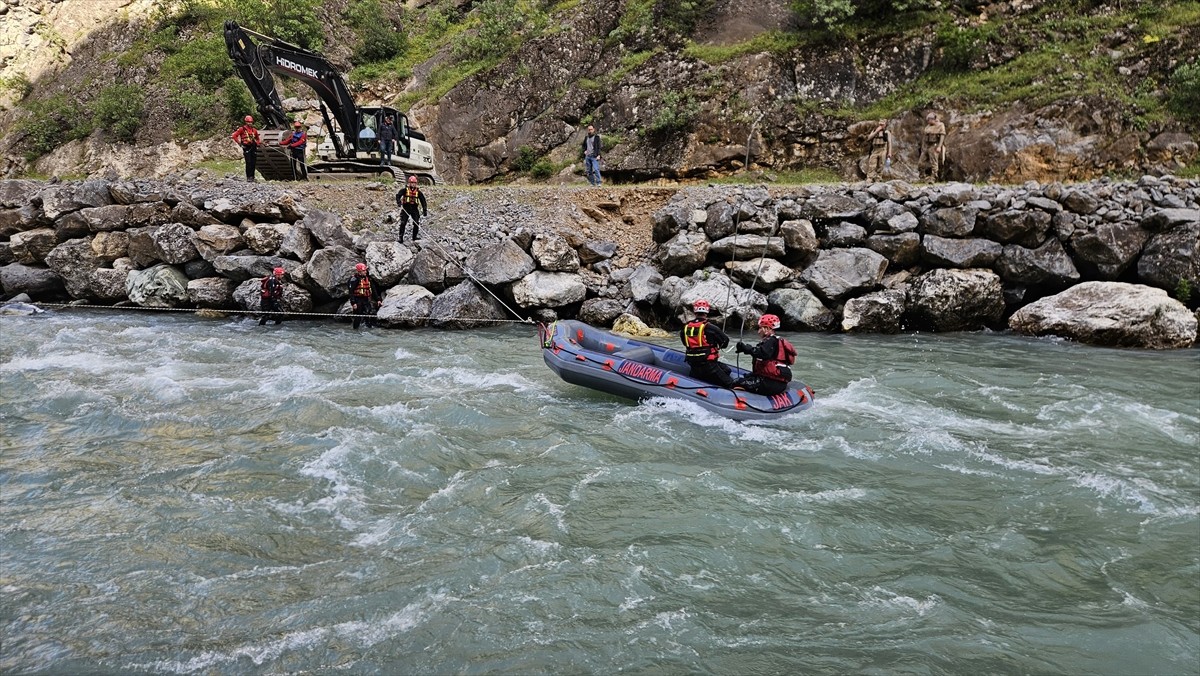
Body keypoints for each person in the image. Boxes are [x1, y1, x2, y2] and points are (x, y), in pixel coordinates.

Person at [733, 314, 797, 396]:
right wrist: (745, 349)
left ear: (767, 328)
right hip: (773, 381)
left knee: (737, 382)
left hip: (771, 383)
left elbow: (763, 353)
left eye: (760, 328)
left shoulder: (772, 341)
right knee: (746, 378)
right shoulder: (771, 342)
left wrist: (747, 349)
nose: (758, 331)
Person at [680, 299, 735, 388]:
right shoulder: (711, 328)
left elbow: (685, 343)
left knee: (726, 370)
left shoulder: (686, 328)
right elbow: (725, 342)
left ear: (695, 311)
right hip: (709, 366)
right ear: (707, 311)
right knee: (730, 384)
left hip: (693, 364)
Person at [347, 263, 381, 329]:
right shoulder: (354, 279)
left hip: (366, 299)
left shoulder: (368, 279)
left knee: (369, 314)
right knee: (358, 317)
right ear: (359, 271)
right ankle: (356, 329)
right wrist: (353, 303)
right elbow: (351, 292)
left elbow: (373, 290)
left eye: (365, 270)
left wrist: (378, 299)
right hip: (357, 300)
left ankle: (369, 328)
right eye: (364, 270)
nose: (365, 272)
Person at [395, 175, 428, 242]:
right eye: (412, 183)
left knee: (416, 223)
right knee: (403, 223)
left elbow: (423, 201)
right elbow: (398, 195)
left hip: (414, 209)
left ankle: (414, 237)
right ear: (409, 183)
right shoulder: (404, 190)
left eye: (414, 183)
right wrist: (399, 202)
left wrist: (425, 210)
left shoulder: (418, 192)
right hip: (406, 208)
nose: (413, 184)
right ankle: (400, 237)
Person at [918, 111, 946, 182]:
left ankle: (934, 177)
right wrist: (923, 147)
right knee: (921, 162)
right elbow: (924, 138)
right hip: (927, 145)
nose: (928, 121)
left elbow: (942, 136)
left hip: (934, 145)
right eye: (928, 120)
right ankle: (922, 177)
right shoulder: (928, 127)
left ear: (933, 119)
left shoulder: (940, 125)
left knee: (934, 162)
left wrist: (939, 146)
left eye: (929, 120)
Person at [231, 115, 262, 182]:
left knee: (253, 162)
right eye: (248, 122)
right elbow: (234, 136)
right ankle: (248, 177)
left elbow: (257, 139)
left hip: (253, 147)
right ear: (246, 122)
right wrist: (239, 143)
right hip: (246, 147)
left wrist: (258, 143)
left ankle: (252, 177)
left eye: (250, 122)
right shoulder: (242, 129)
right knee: (248, 162)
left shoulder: (254, 130)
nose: (249, 123)